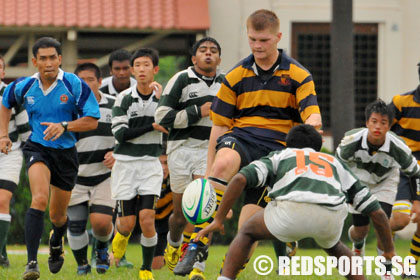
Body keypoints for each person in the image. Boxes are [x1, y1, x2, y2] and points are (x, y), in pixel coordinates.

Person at [172, 9, 322, 277]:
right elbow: (218, 127)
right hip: (242, 137)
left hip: (278, 149)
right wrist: (209, 179)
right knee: (224, 163)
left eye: (263, 40)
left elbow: (312, 114)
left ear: (278, 37)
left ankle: (228, 271)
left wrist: (312, 125)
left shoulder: (298, 74)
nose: (257, 46)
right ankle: (197, 246)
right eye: (253, 39)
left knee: (247, 228)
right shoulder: (235, 76)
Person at [196, 124, 397, 280]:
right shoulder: (334, 162)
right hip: (329, 217)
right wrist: (388, 250)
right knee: (335, 246)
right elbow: (377, 213)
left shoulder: (281, 155)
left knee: (248, 231)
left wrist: (219, 219)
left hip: (289, 212)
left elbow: (240, 179)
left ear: (288, 144)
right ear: (318, 147)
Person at [0, 37, 100, 280]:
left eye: (52, 57)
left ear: (60, 59)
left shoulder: (74, 84)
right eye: (42, 58)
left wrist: (65, 126)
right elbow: (5, 103)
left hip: (66, 153)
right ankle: (32, 263)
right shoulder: (24, 85)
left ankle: (56, 239)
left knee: (57, 216)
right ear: (34, 61)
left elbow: (92, 119)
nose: (48, 63)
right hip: (38, 148)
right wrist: (3, 134)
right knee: (39, 199)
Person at [154, 36, 224, 278]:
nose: (208, 54)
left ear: (219, 58)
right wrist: (197, 112)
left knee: (204, 208)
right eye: (203, 50)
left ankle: (198, 266)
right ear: (194, 58)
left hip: (208, 151)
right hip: (180, 149)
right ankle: (173, 244)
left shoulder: (226, 84)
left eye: (213, 51)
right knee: (180, 214)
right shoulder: (181, 79)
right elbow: (162, 115)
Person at [336, 100, 420, 267]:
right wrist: (345, 193)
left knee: (383, 225)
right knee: (360, 231)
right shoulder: (350, 141)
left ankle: (386, 271)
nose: (377, 127)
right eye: (374, 121)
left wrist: (417, 202)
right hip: (358, 182)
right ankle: (358, 246)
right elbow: (337, 167)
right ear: (367, 123)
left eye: (383, 123)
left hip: (385, 182)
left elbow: (415, 173)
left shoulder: (399, 147)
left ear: (389, 126)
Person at [110, 48, 168, 280]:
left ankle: (145, 270)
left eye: (147, 65)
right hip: (125, 165)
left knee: (147, 219)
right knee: (126, 224)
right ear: (132, 71)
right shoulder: (123, 98)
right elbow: (120, 134)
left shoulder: (164, 100)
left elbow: (173, 125)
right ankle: (119, 242)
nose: (142, 69)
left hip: (150, 166)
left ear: (155, 69)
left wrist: (162, 103)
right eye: (138, 66)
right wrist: (151, 127)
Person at [66, 63, 116, 275]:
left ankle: (102, 248)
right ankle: (82, 265)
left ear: (100, 82)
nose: (86, 85)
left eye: (90, 80)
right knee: (75, 225)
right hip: (75, 176)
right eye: (81, 81)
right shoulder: (67, 108)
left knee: (101, 224)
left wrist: (118, 153)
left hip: (105, 176)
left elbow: (128, 134)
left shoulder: (115, 105)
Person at [389, 62, 420, 275]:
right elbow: (379, 130)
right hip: (403, 168)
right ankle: (384, 245)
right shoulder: (402, 102)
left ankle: (408, 268)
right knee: (400, 220)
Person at [0, 55, 31, 268]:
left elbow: (25, 131)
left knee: (2, 200)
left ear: (3, 72)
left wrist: (36, 158)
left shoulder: (13, 94)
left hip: (9, 153)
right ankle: (2, 253)